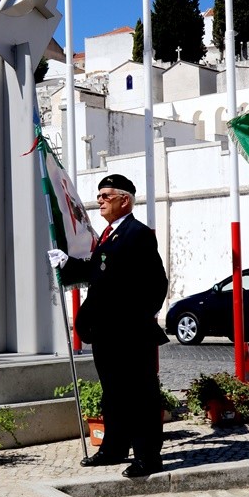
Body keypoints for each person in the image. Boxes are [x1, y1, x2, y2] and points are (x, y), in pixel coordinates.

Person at [48, 174, 169, 478]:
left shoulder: (137, 234)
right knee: (113, 394)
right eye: (99, 195)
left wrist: (135, 319)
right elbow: (99, 271)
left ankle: (147, 458)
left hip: (128, 334)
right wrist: (67, 263)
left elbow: (157, 284)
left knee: (140, 396)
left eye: (105, 195)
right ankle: (114, 449)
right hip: (106, 332)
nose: (99, 200)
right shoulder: (110, 234)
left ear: (124, 200)